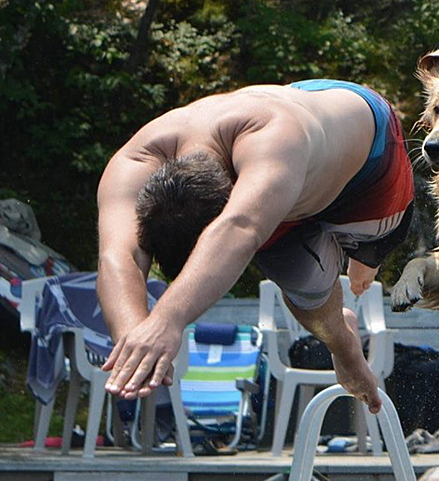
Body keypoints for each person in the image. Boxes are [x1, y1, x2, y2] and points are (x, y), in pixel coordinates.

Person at [96, 79, 415, 414]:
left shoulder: (272, 138)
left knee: (372, 247)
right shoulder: (136, 160)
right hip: (278, 189)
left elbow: (239, 228)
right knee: (301, 284)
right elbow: (118, 256)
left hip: (366, 160)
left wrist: (166, 322)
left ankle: (365, 257)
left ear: (233, 192)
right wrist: (134, 340)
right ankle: (342, 338)